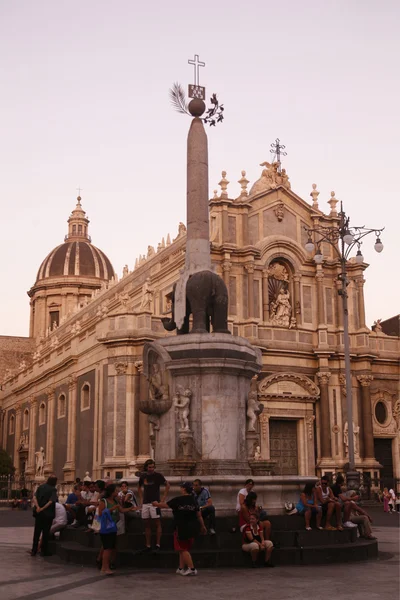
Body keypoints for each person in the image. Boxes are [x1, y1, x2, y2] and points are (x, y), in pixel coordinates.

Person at [153, 481, 207, 576]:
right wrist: (203, 526)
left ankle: (192, 568)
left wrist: (156, 504)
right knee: (183, 548)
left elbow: (165, 505)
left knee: (182, 548)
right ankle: (181, 568)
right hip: (193, 526)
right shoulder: (194, 500)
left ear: (184, 489)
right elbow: (199, 515)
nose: (180, 489)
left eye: (181, 487)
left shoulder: (178, 500)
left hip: (181, 526)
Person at [98, 483, 136, 575]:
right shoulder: (104, 501)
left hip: (113, 527)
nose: (118, 492)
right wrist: (112, 509)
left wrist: (131, 508)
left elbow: (122, 510)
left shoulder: (115, 502)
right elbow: (100, 513)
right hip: (106, 528)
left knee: (110, 548)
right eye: (116, 491)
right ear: (111, 492)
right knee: (107, 548)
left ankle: (105, 566)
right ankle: (104, 568)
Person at [138, 459, 170, 553]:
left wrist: (163, 498)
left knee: (157, 522)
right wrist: (141, 498)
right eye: (149, 467)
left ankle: (158, 544)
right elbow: (139, 487)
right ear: (146, 467)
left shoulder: (158, 476)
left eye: (152, 467)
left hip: (155, 502)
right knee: (146, 523)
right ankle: (148, 545)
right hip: (145, 502)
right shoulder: (143, 476)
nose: (151, 469)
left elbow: (167, 485)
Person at [31, 475, 58, 556]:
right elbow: (51, 501)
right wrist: (43, 508)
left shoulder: (41, 487)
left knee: (37, 532)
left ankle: (34, 550)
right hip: (48, 514)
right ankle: (44, 551)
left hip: (39, 513)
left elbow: (34, 497)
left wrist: (38, 507)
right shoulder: (53, 489)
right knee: (45, 533)